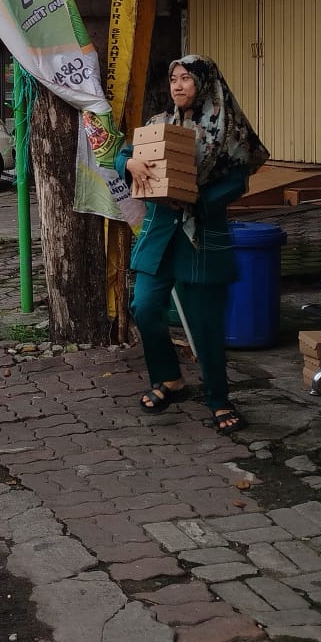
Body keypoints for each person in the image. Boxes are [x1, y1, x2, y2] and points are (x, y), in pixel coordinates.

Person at [116, 55, 269, 436]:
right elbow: (124, 153)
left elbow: (239, 181)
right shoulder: (158, 124)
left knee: (205, 324)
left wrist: (196, 199)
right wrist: (129, 164)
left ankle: (219, 399)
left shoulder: (226, 130)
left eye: (187, 78)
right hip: (158, 233)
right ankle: (168, 379)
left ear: (204, 83)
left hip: (201, 234)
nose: (178, 86)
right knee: (145, 306)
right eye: (173, 79)